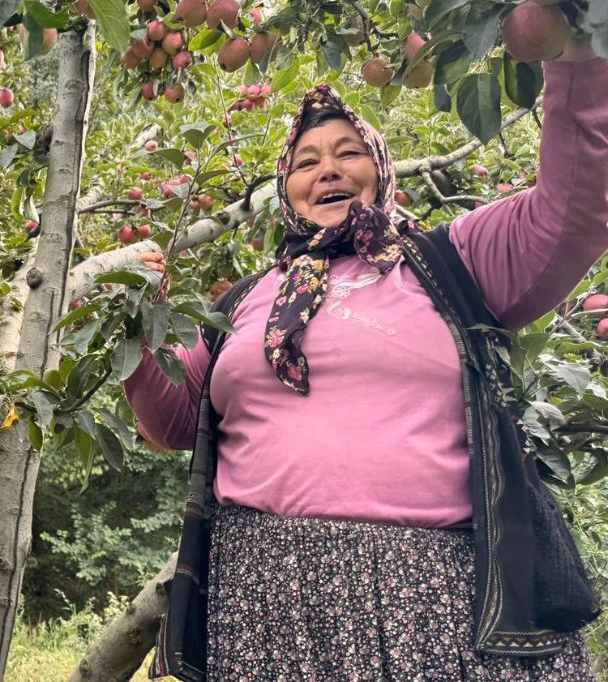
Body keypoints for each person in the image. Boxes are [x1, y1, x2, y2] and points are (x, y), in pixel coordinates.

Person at [129, 42, 607, 681]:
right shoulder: (243, 301)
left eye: (349, 153)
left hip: (433, 592)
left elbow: (576, 209)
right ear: (286, 186)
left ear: (381, 169)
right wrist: (139, 319)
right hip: (263, 596)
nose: (328, 170)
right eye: (306, 161)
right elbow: (171, 423)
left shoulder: (452, 262)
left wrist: (573, 50)